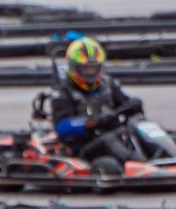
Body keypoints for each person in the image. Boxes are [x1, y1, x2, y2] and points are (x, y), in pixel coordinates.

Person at [47, 36, 148, 172]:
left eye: (94, 68)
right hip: (82, 145)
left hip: (113, 134)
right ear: (73, 67)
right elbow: (61, 126)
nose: (90, 73)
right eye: (86, 69)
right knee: (109, 139)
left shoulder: (107, 84)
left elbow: (126, 104)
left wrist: (134, 104)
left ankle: (166, 157)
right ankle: (139, 165)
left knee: (138, 127)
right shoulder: (63, 92)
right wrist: (93, 122)